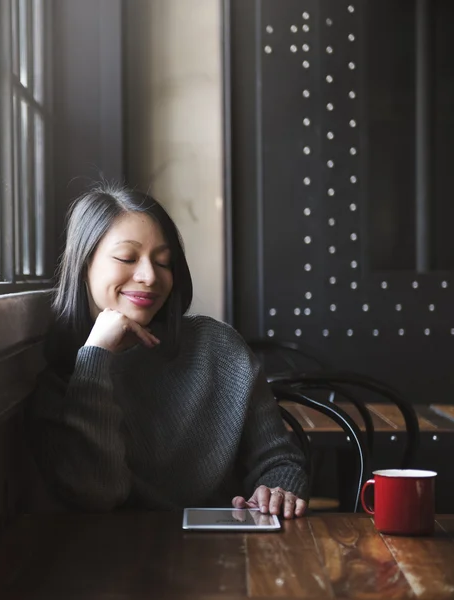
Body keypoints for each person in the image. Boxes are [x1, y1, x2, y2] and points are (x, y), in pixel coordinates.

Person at [25, 182, 309, 519]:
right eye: (127, 258)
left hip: (227, 553)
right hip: (114, 562)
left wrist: (279, 490)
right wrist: (95, 357)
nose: (149, 276)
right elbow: (97, 494)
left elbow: (278, 460)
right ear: (83, 265)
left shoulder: (218, 348)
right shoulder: (58, 385)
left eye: (163, 262)